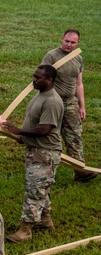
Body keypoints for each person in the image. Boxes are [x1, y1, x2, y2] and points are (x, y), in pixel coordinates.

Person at [0, 66, 64, 243]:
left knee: (34, 190)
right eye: (34, 76)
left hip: (45, 153)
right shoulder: (40, 94)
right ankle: (45, 220)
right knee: (42, 187)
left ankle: (26, 230)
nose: (34, 80)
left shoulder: (52, 101)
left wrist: (19, 131)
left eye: (38, 78)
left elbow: (45, 129)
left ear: (49, 80)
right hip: (36, 150)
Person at [41, 29, 94, 182]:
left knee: (75, 136)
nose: (69, 45)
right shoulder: (51, 56)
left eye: (73, 42)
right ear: (61, 39)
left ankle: (80, 171)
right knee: (51, 136)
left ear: (78, 43)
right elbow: (41, 78)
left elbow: (79, 84)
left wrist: (82, 106)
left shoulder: (78, 59)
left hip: (70, 102)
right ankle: (46, 172)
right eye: (66, 41)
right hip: (53, 101)